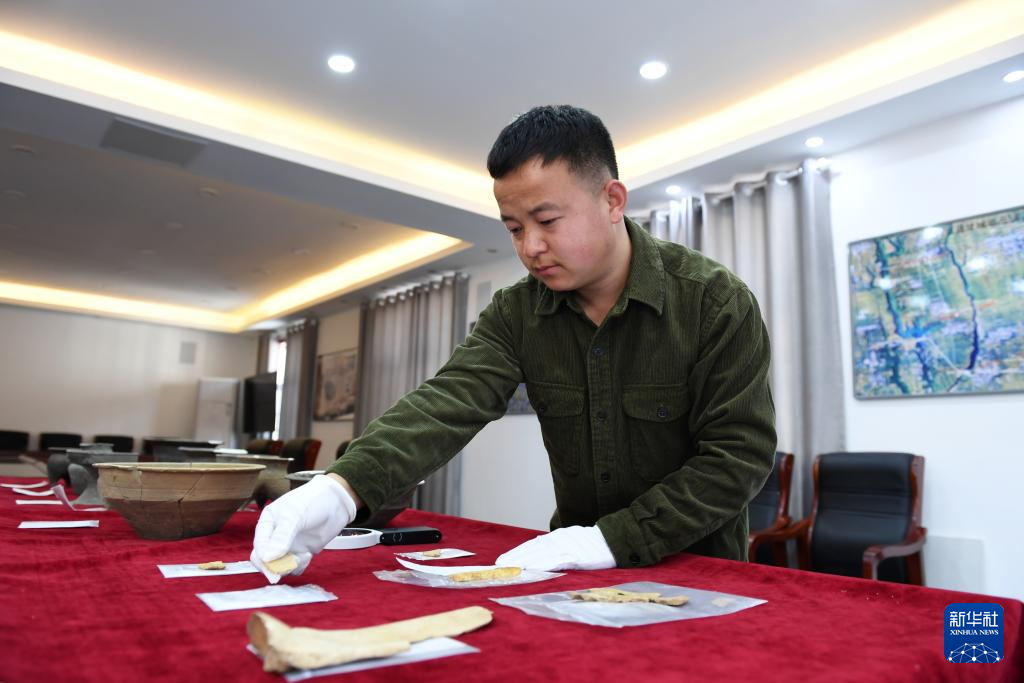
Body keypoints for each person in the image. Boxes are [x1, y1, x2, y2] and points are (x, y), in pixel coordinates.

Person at [251, 105, 776, 581]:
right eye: (514, 229)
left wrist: (613, 539)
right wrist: (341, 489)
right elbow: (447, 401)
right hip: (572, 572)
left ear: (612, 200)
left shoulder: (714, 303)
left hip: (700, 571)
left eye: (546, 221)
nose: (531, 247)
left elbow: (738, 457)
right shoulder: (516, 312)